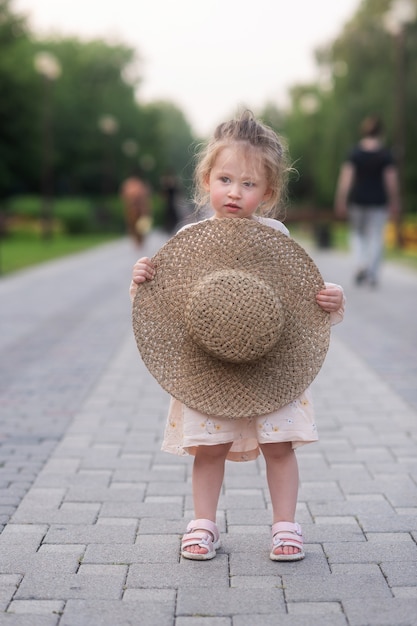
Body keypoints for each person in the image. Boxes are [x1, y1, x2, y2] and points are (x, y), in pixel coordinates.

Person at [130, 111, 345, 562]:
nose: (234, 192)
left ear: (267, 193)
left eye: (248, 184)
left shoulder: (277, 237)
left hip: (272, 362)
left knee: (279, 447)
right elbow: (162, 303)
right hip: (210, 363)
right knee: (209, 448)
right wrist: (142, 279)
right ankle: (203, 523)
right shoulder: (190, 239)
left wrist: (331, 300)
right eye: (225, 179)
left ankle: (285, 524)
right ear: (206, 178)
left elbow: (304, 302)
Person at [334, 115, 400, 287]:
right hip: (378, 201)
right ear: (380, 132)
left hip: (358, 201)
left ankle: (360, 265)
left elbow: (346, 179)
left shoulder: (355, 153)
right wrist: (395, 201)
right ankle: (371, 273)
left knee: (358, 235)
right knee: (377, 236)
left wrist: (341, 199)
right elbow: (391, 180)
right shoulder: (385, 155)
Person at [120, 170, 152, 246]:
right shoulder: (134, 184)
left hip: (138, 208)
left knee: (140, 226)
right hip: (133, 208)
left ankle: (140, 240)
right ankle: (137, 240)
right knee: (133, 226)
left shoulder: (130, 184)